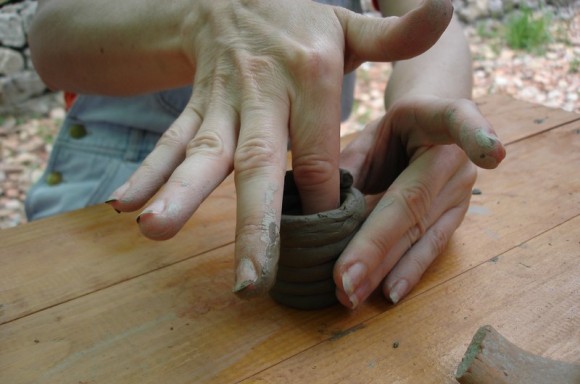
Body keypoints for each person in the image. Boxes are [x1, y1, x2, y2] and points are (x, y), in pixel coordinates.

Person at [27, 0, 505, 309]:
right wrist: (204, 18)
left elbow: (429, 22)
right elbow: (49, 39)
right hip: (127, 168)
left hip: (296, 165)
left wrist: (428, 110)